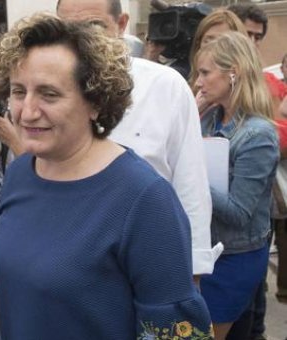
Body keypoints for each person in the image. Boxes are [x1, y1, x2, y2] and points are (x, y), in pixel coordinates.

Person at [0, 14, 212, 340]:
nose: (27, 110)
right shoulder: (22, 171)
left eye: (49, 94)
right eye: (18, 91)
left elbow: (177, 332)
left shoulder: (144, 199)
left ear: (96, 101)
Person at [56, 0, 218, 278]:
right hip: (66, 264)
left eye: (93, 27)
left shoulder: (165, 86)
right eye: (67, 29)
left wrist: (192, 276)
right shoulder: (44, 90)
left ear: (121, 25)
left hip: (148, 264)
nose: (79, 41)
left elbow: (191, 188)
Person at [195, 31, 279, 340]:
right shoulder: (209, 117)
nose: (199, 81)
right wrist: (190, 113)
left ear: (234, 73)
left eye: (205, 72)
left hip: (234, 258)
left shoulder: (258, 135)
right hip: (207, 251)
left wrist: (193, 177)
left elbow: (240, 212)